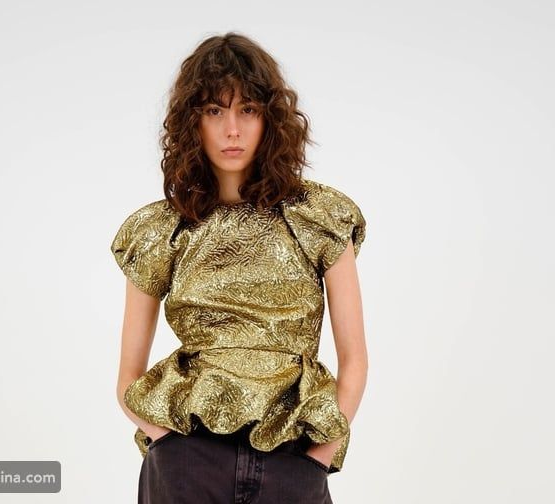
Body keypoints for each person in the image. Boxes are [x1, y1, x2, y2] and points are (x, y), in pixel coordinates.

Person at [111, 32, 368, 504]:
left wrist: (317, 460)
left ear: (270, 118)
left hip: (293, 460)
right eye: (214, 111)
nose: (232, 129)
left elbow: (354, 360)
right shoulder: (160, 231)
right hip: (187, 462)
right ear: (193, 122)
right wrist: (168, 445)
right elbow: (128, 377)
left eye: (247, 109)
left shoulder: (319, 217)